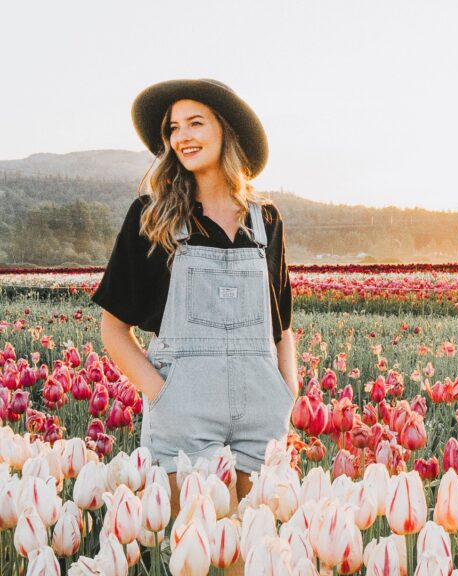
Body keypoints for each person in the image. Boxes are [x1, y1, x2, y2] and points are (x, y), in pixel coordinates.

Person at [91, 79, 297, 533]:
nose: (182, 136)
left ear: (225, 130)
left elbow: (282, 325)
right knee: (193, 545)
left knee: (252, 551)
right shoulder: (153, 216)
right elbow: (113, 328)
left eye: (195, 123)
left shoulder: (266, 222)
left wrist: (288, 392)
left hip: (262, 414)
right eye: (173, 128)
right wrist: (162, 394)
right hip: (185, 417)